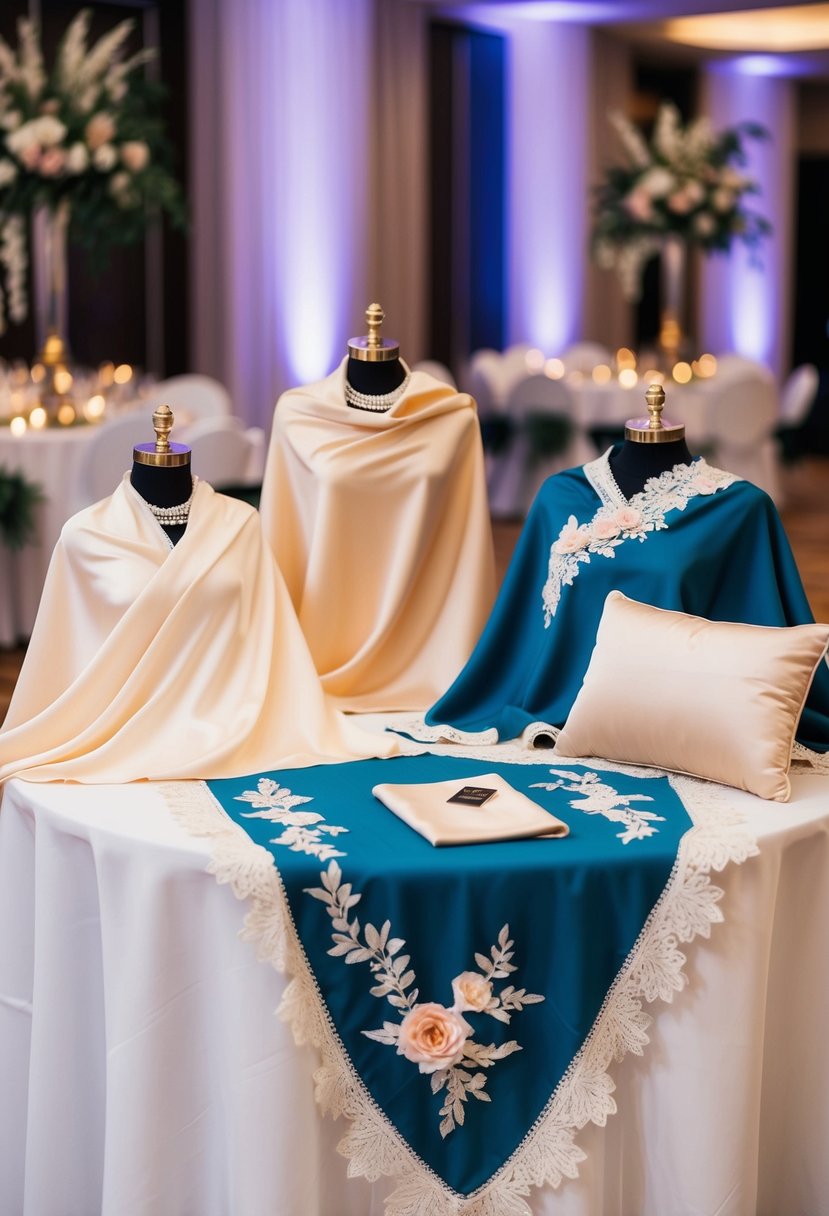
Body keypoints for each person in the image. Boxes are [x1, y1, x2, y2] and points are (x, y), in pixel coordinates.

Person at [409, 385, 829, 752]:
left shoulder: (739, 507)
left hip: (680, 718)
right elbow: (521, 621)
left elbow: (760, 617)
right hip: (557, 714)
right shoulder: (561, 494)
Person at [0, 408, 402, 784]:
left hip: (231, 723)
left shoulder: (240, 523)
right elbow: (59, 655)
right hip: (120, 731)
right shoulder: (85, 536)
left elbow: (274, 635)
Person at [259, 305, 496, 711]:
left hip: (431, 659)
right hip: (323, 647)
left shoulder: (451, 415)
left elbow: (467, 543)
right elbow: (284, 537)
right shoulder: (300, 414)